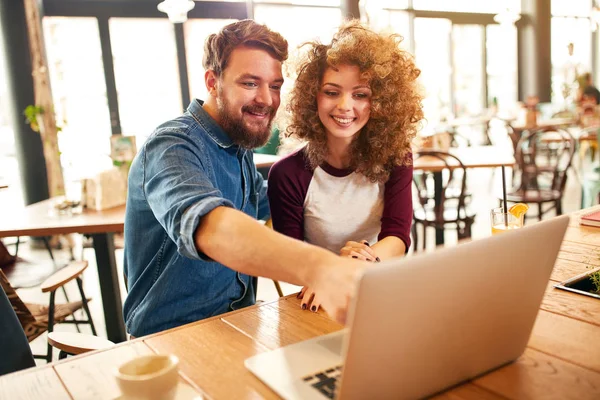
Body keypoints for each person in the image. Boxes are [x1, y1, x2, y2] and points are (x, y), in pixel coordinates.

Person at [123, 20, 365, 337]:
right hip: (172, 338)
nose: (266, 99)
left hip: (240, 324)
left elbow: (286, 202)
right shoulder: (171, 145)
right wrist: (321, 267)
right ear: (212, 82)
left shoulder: (238, 145)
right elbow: (211, 228)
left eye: (275, 86)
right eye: (250, 83)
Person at [268, 21, 423, 312]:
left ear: (380, 102)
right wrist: (333, 270)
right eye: (331, 92)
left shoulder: (396, 157)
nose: (344, 105)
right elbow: (289, 262)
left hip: (380, 289)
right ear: (312, 96)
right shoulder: (287, 174)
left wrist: (359, 261)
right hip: (317, 301)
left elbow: (398, 238)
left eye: (360, 94)